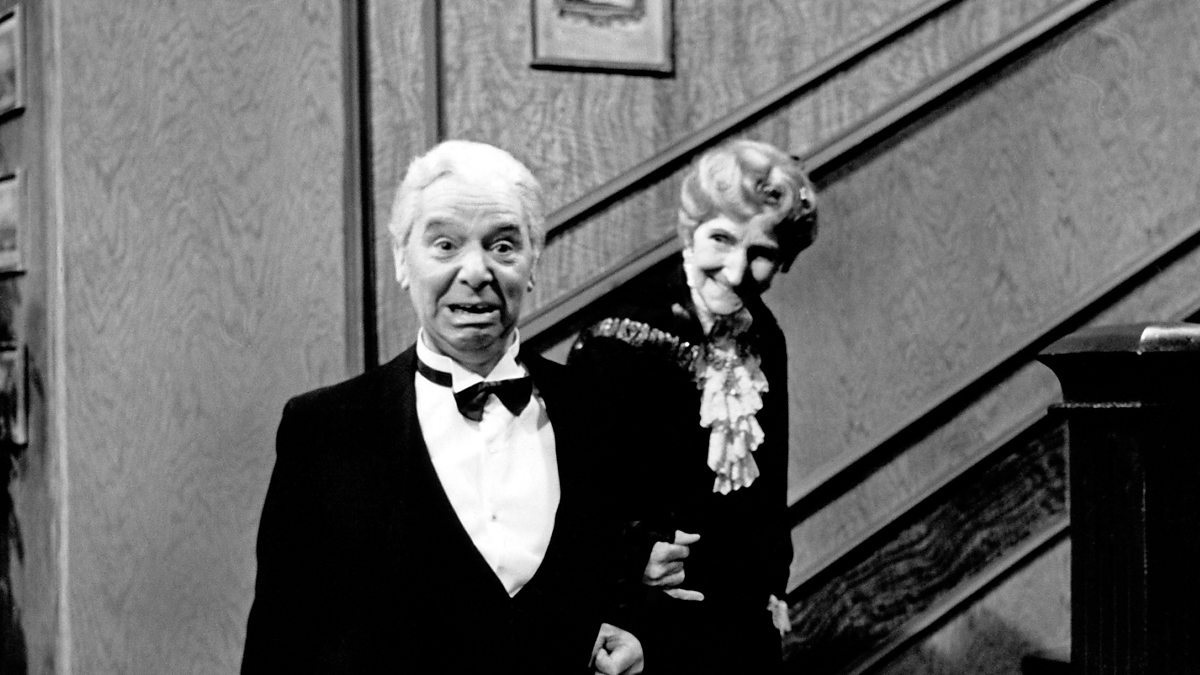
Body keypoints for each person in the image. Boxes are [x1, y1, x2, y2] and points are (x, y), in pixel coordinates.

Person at [242, 140, 644, 674]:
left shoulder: (604, 412)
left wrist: (642, 640)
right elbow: (279, 644)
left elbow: (657, 593)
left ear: (533, 265)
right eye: (446, 245)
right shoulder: (323, 430)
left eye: (503, 246)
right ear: (402, 261)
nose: (476, 271)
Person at [569, 139, 818, 674]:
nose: (736, 270)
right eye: (721, 239)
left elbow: (769, 488)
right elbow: (578, 500)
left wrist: (769, 584)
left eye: (761, 252)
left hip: (737, 623)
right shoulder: (619, 337)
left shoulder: (765, 335)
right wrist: (632, 557)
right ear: (690, 231)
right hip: (641, 625)